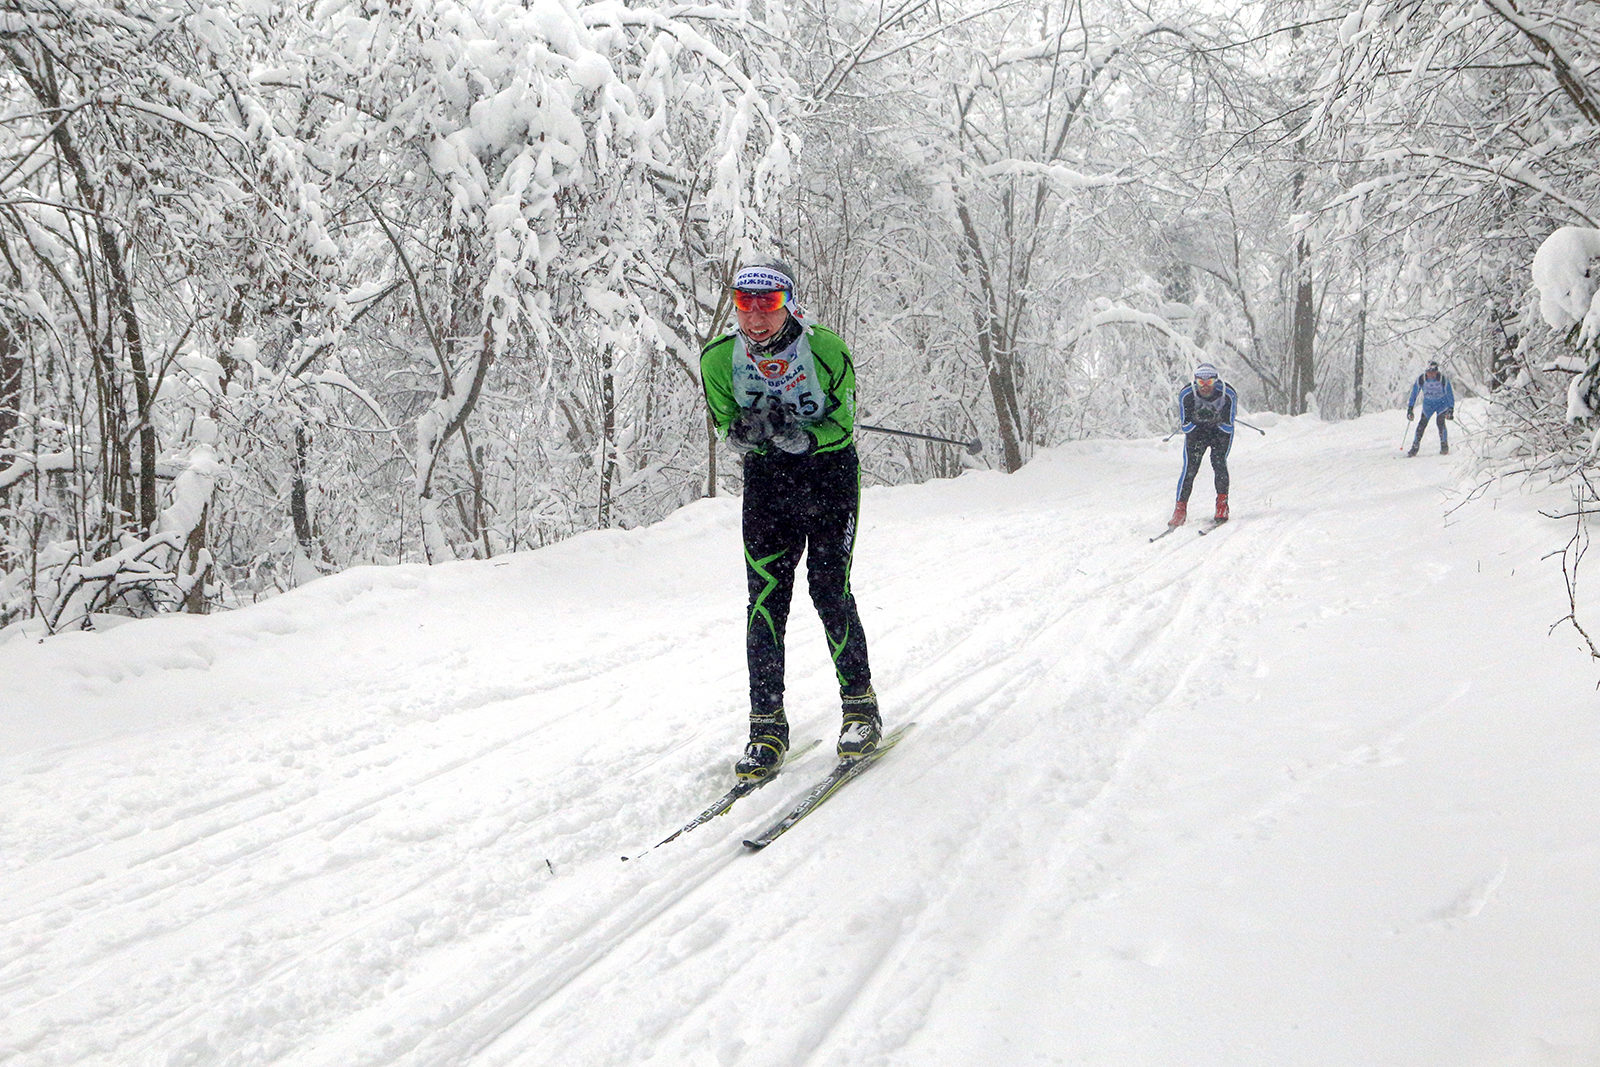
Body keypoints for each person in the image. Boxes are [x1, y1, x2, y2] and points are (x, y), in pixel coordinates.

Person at [700, 259, 880, 781]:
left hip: (828, 476)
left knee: (827, 588)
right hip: (768, 481)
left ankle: (860, 708)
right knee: (765, 597)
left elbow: (843, 426)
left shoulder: (824, 348)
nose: (756, 317)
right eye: (745, 302)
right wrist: (746, 432)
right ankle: (766, 726)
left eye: (769, 303)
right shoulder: (718, 358)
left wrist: (805, 436)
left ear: (789, 303)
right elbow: (724, 425)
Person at [1169, 361, 1238, 526]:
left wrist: (1215, 420)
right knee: (1190, 468)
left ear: (1216, 380)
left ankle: (1222, 505)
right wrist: (1198, 420)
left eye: (1209, 382)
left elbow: (1229, 426)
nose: (1205, 386)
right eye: (1201, 382)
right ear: (1195, 381)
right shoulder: (1187, 394)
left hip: (1220, 432)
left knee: (1218, 461)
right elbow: (1185, 426)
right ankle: (1180, 509)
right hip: (1197, 433)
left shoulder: (1228, 394)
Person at [1405, 360, 1455, 456]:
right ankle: (1415, 447)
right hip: (1428, 405)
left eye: (1433, 372)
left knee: (1440, 422)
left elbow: (1449, 394)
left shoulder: (1442, 379)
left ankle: (1444, 446)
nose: (1431, 375)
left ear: (1437, 372)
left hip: (1442, 404)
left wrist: (1451, 409)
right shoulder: (1422, 379)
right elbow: (1414, 393)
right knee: (1422, 424)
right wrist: (1410, 408)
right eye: (1428, 372)